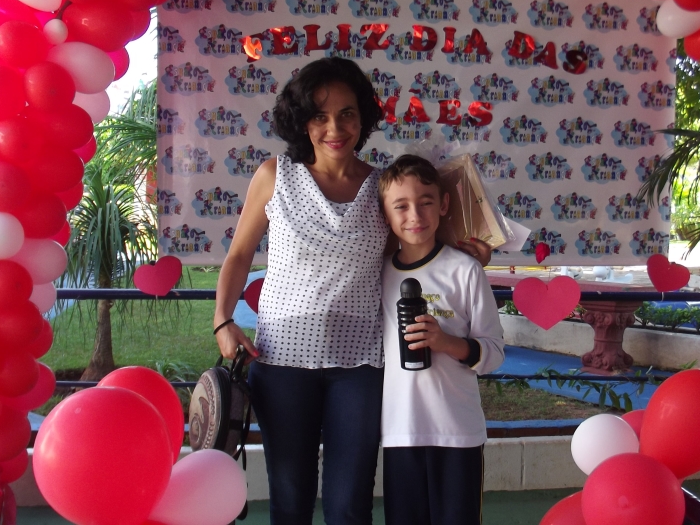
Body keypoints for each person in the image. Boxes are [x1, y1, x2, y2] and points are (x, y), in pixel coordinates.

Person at [212, 57, 490, 525]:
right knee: (290, 502)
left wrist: (467, 252)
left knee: (349, 506)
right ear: (302, 120)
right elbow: (239, 255)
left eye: (347, 114)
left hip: (360, 366)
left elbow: (418, 244)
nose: (334, 128)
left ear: (363, 118)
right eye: (319, 116)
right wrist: (223, 320)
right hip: (280, 361)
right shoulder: (274, 175)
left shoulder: (381, 187)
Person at [377, 154, 505, 525]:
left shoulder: (465, 271)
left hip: (457, 431)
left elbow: (494, 353)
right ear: (385, 214)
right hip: (400, 431)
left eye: (426, 202)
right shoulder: (376, 275)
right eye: (401, 206)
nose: (415, 215)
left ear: (444, 204)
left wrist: (446, 342)